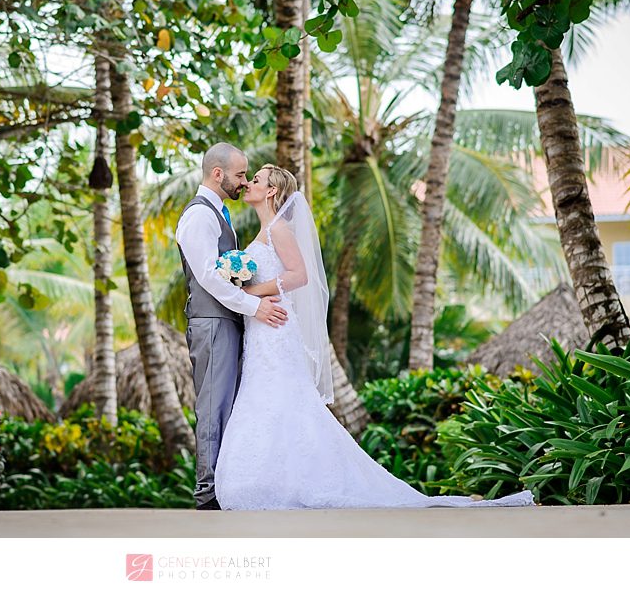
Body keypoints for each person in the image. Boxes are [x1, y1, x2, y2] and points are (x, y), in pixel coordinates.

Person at [213, 163, 538, 510]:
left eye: (256, 180)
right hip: (261, 330)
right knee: (264, 397)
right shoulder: (264, 231)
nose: (248, 184)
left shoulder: (280, 230)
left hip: (276, 328)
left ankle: (292, 481)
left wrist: (251, 290)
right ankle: (270, 479)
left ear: (272, 191)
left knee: (282, 398)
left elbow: (300, 275)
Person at [174, 143, 290, 511]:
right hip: (211, 322)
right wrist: (254, 306)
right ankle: (207, 493)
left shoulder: (218, 214)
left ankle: (223, 486)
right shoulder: (199, 216)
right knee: (213, 405)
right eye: (240, 175)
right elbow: (208, 275)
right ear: (217, 174)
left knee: (227, 405)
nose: (244, 181)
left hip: (226, 320)